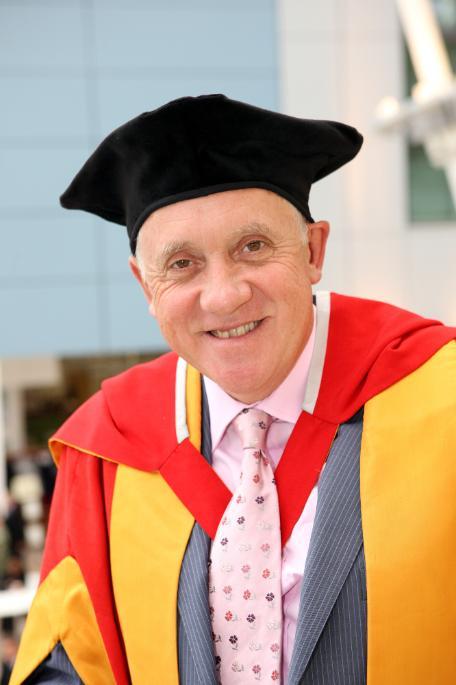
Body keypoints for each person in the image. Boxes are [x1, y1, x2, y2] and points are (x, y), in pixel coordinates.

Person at [10, 95, 456, 685]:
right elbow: (66, 664)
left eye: (253, 247)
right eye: (182, 264)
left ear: (314, 251)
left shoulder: (439, 397)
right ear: (146, 285)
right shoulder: (108, 447)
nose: (223, 296)